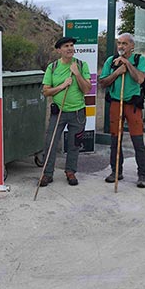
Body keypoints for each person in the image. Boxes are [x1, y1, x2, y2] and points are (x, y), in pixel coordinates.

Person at [99, 33, 145, 188]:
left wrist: (127, 64)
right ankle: (116, 171)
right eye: (119, 43)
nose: (121, 46)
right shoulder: (111, 61)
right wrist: (117, 72)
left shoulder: (139, 60)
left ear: (132, 46)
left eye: (125, 43)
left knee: (137, 140)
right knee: (115, 140)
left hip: (133, 105)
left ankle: (143, 174)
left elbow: (140, 78)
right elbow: (103, 82)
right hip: (116, 103)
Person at [39, 36, 91, 187]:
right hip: (59, 112)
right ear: (59, 50)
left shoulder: (81, 65)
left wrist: (77, 74)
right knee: (51, 142)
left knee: (74, 144)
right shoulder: (52, 67)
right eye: (66, 46)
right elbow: (46, 91)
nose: (70, 48)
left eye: (71, 45)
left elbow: (87, 89)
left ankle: (70, 172)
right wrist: (62, 86)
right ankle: (47, 173)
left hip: (77, 112)